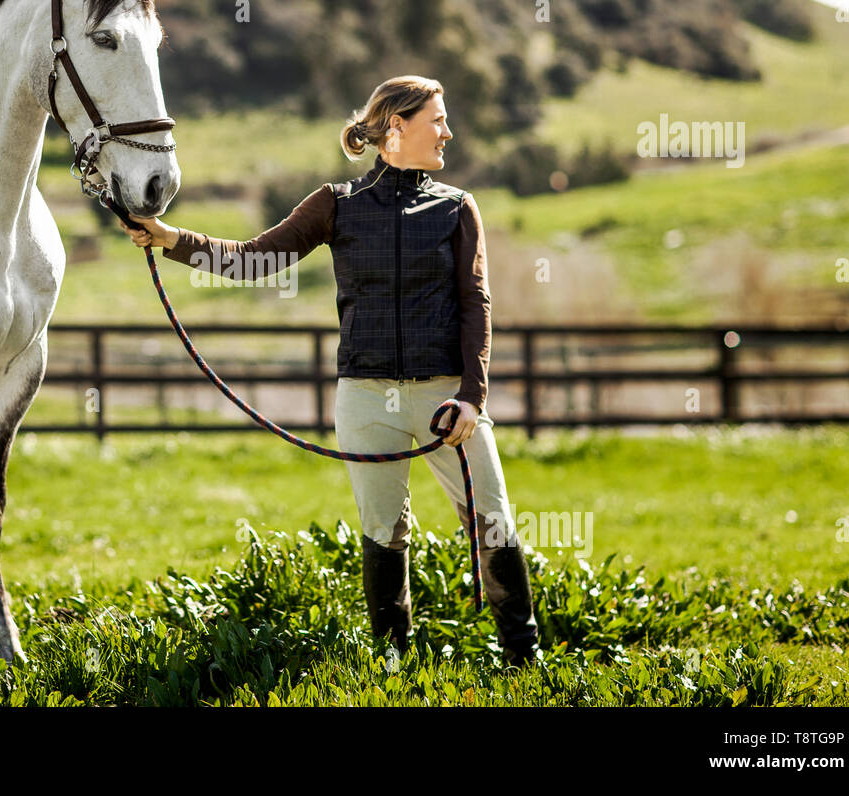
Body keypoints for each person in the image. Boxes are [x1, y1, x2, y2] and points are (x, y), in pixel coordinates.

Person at [120, 76, 540, 669]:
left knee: (492, 520)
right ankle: (394, 665)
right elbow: (254, 259)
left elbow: (476, 304)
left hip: (448, 397)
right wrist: (173, 238)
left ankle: (524, 659)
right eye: (436, 120)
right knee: (382, 531)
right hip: (365, 400)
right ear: (396, 127)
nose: (448, 131)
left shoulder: (455, 207)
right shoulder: (336, 204)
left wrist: (473, 397)